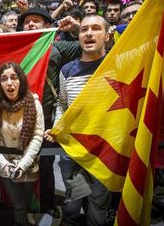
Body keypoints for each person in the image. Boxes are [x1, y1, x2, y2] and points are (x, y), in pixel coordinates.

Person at [44, 14, 113, 226]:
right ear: (78, 36)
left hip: (105, 153)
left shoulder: (118, 64)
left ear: (108, 35)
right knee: (73, 200)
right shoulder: (67, 70)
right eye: (84, 30)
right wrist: (57, 128)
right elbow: (62, 105)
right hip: (72, 153)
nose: (89, 33)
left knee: (98, 205)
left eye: (96, 29)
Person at [18, 7, 82, 218]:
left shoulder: (57, 47)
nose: (31, 25)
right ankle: (23, 206)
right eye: (27, 22)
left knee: (45, 164)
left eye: (36, 21)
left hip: (45, 120)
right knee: (20, 162)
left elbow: (90, 45)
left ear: (48, 26)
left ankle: (45, 204)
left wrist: (77, 29)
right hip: (17, 120)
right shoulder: (15, 48)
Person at [0, 62, 44, 226]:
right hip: (5, 165)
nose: (9, 83)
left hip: (29, 165)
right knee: (18, 204)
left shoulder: (34, 103)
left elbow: (37, 136)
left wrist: (24, 163)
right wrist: (1, 163)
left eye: (14, 77)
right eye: (4, 79)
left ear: (21, 80)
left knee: (29, 201)